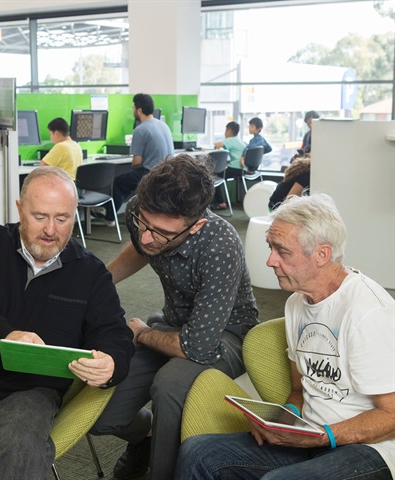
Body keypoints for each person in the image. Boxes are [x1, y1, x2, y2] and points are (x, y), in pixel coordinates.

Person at [0, 166, 135, 480]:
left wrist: (112, 362)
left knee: (22, 456)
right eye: (40, 216)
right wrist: (5, 334)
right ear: (20, 210)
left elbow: (113, 331)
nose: (51, 230)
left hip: (29, 394)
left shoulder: (91, 273)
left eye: (63, 219)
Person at [175, 193, 395, 480]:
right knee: (198, 452)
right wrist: (281, 426)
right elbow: (299, 390)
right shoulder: (296, 303)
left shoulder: (367, 312)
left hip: (371, 449)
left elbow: (391, 416)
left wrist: (320, 437)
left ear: (322, 254)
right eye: (270, 248)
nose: (270, 261)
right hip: (312, 436)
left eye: (282, 251)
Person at [90, 154, 259, 480]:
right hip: (174, 323)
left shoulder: (219, 243)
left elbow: (198, 347)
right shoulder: (143, 209)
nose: (147, 236)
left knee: (169, 386)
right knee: (103, 412)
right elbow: (142, 248)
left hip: (228, 333)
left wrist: (141, 334)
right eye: (144, 224)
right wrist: (100, 281)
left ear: (195, 224)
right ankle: (147, 439)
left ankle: (163, 471)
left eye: (163, 232)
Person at [99, 93, 174, 226]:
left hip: (150, 174)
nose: (133, 111)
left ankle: (110, 218)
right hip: (168, 173)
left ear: (139, 110)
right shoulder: (163, 126)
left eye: (133, 108)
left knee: (119, 182)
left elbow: (137, 162)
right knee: (129, 180)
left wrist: (133, 167)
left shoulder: (140, 129)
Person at [40, 117, 83, 192]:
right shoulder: (76, 145)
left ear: (57, 133)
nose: (51, 138)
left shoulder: (61, 146)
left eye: (50, 134)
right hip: (76, 188)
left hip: (65, 189)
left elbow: (43, 166)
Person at [212, 121, 246, 210]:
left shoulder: (231, 139)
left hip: (235, 168)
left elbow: (218, 145)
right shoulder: (239, 140)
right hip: (241, 169)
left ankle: (221, 202)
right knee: (217, 175)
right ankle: (220, 201)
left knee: (213, 176)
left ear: (229, 131)